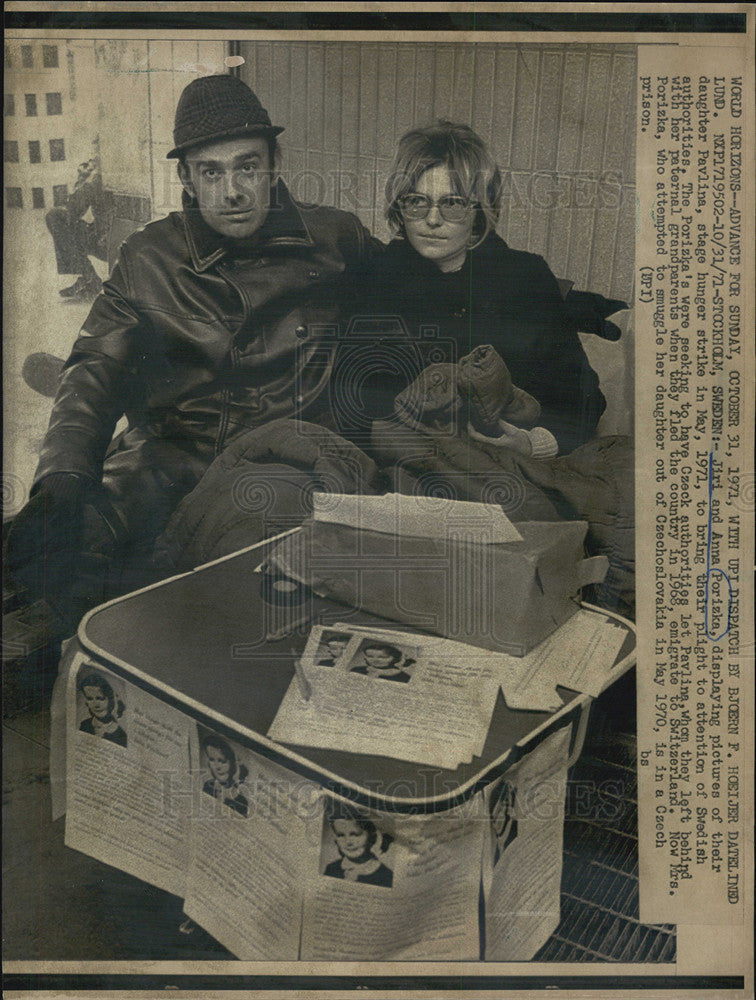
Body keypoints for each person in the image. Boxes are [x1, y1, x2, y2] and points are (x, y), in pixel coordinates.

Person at [6, 74, 381, 631]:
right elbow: (95, 369)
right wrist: (62, 472)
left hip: (284, 461)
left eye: (247, 166)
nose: (233, 191)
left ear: (273, 165)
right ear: (185, 176)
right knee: (49, 547)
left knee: (241, 602)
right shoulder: (147, 256)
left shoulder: (338, 239)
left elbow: (417, 299)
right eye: (212, 171)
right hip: (172, 454)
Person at [345, 120, 606, 455]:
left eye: (452, 203)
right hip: (403, 459)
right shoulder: (378, 275)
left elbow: (583, 398)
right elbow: (351, 389)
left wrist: (532, 444)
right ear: (400, 206)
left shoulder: (525, 277)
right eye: (417, 201)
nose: (432, 219)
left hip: (505, 464)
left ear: (479, 211)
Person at [45, 155, 112, 301]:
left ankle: (88, 277)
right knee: (59, 217)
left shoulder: (98, 178)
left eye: (93, 162)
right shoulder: (102, 177)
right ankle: (88, 277)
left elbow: (73, 208)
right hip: (109, 238)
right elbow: (74, 209)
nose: (91, 162)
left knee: (55, 216)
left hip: (109, 242)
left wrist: (83, 179)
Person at [323, 812, 393, 887]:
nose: (348, 842)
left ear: (372, 836)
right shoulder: (331, 868)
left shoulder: (386, 876)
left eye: (355, 834)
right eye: (341, 835)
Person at [201, 734, 249, 817]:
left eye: (222, 761)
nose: (217, 767)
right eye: (212, 760)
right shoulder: (208, 786)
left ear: (232, 762)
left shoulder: (241, 802)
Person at [78, 671, 127, 746]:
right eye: (90, 699)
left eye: (100, 698)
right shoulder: (84, 725)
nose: (96, 704)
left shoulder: (120, 734)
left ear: (109, 700)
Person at [349, 640, 414, 682]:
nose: (375, 660)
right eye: (370, 656)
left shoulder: (404, 677)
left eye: (383, 657)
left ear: (394, 658)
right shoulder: (357, 670)